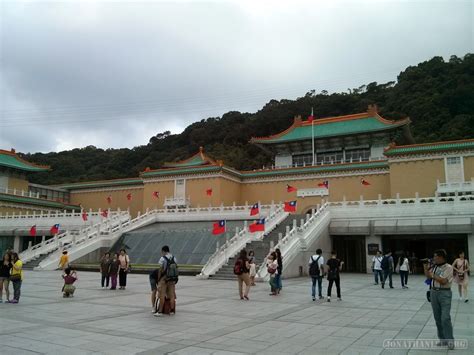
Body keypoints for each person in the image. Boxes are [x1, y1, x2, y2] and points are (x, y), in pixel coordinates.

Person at [423, 249, 455, 350]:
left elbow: (443, 281)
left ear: (441, 257)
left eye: (435, 256)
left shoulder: (449, 268)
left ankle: (450, 341)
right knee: (437, 318)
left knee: (445, 317)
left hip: (444, 293)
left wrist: (432, 274)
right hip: (433, 293)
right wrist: (426, 268)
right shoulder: (434, 267)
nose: (434, 258)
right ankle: (442, 340)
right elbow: (428, 276)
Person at [154, 245, 178, 316]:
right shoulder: (174, 258)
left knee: (162, 295)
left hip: (164, 279)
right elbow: (176, 268)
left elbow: (160, 270)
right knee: (172, 295)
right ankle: (171, 311)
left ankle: (160, 311)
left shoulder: (162, 258)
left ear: (163, 251)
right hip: (172, 279)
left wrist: (158, 279)